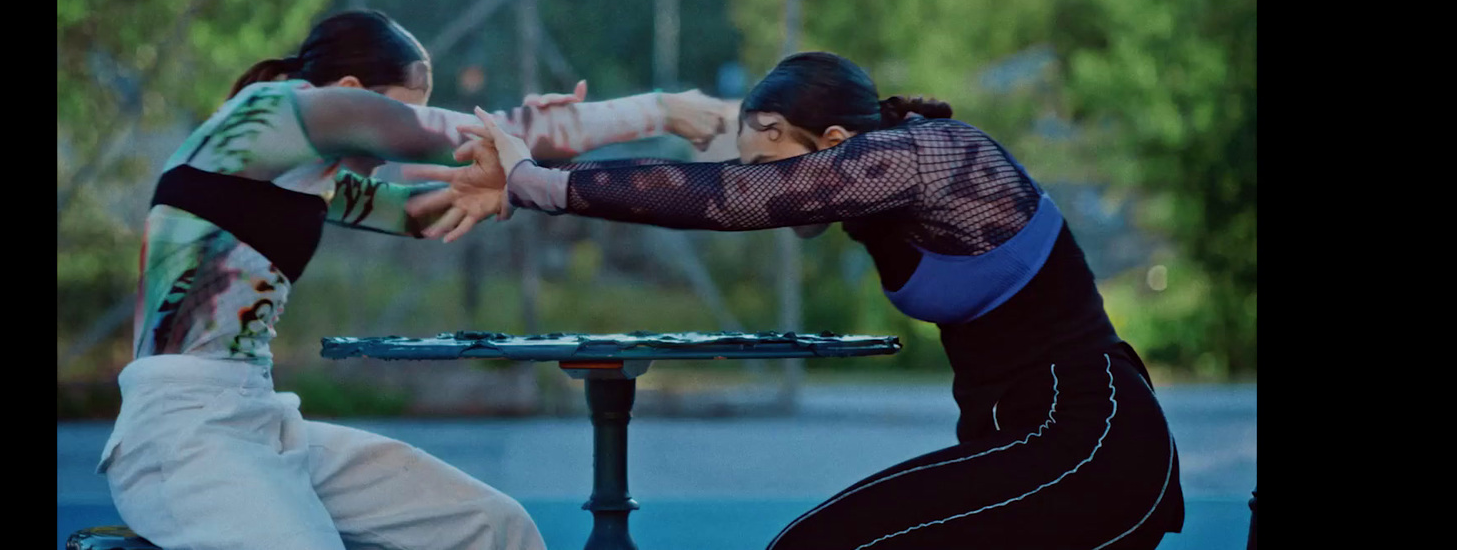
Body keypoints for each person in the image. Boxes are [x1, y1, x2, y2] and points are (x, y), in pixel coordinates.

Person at [408, 51, 1186, 550]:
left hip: (1091, 441)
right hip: (1022, 440)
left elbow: (728, 193)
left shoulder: (930, 154)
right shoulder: (847, 153)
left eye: (770, 158)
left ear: (826, 135)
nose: (768, 189)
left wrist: (535, 183)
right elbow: (689, 128)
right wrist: (548, 140)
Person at [95, 9, 736, 550]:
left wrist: (513, 170)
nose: (396, 148)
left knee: (496, 528)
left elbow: (429, 211)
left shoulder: (311, 176)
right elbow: (481, 137)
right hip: (180, 435)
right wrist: (660, 109)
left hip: (261, 421)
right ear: (350, 91)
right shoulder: (270, 114)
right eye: (398, 120)